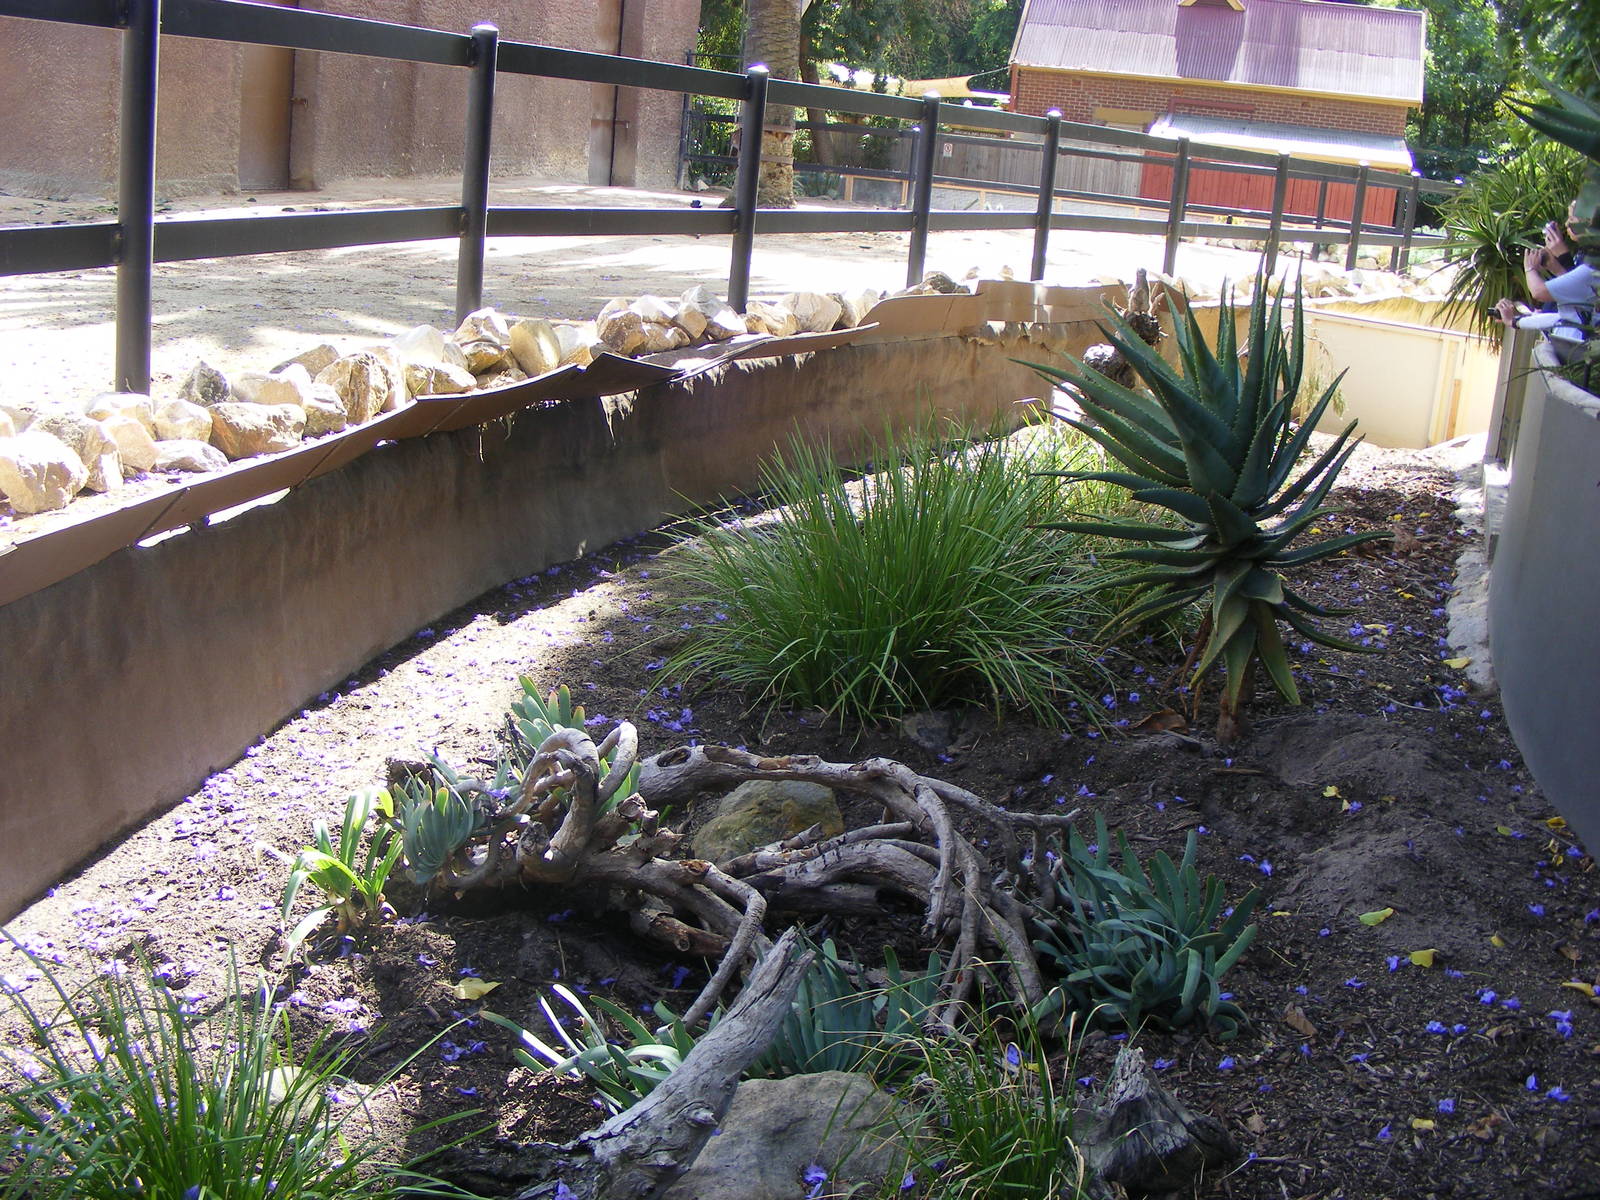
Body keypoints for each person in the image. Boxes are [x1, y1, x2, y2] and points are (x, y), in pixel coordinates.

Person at [1495, 201, 1595, 355]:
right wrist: (1516, 320)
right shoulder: (1586, 256)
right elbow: (1566, 316)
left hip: (1579, 354)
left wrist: (1530, 269)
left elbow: (1539, 291)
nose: (1567, 223)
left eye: (1572, 219)